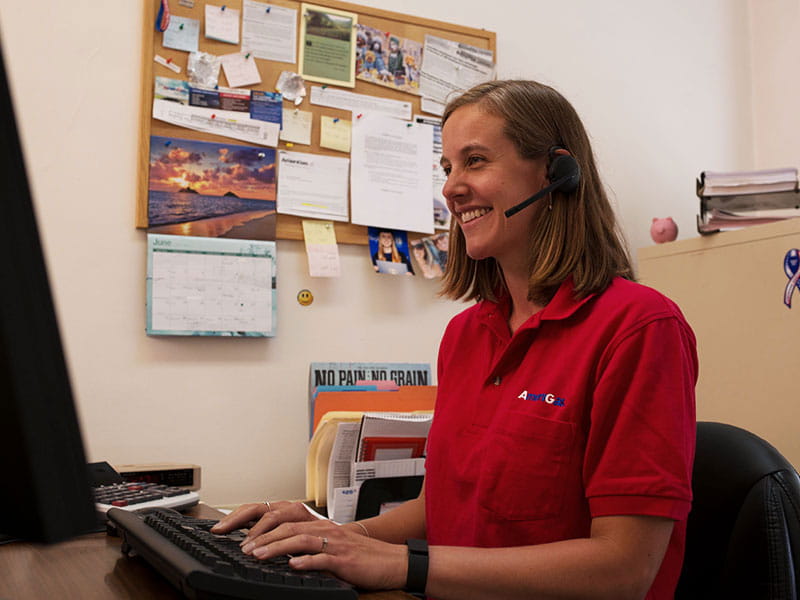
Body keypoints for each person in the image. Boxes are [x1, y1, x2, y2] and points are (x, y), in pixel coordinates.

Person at [211, 80, 697, 599]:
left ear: (556, 173)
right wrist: (331, 537)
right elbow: (443, 506)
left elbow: (624, 569)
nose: (451, 187)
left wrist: (404, 567)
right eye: (447, 168)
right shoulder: (466, 335)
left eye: (476, 161)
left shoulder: (639, 329)